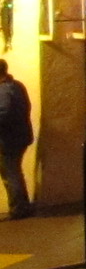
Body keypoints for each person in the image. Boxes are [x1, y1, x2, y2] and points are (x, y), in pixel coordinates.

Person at [0, 59, 33, 219]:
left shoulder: (3, 90)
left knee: (10, 173)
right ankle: (23, 205)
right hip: (21, 136)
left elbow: (4, 113)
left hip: (8, 138)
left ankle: (19, 208)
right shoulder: (17, 85)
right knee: (14, 171)